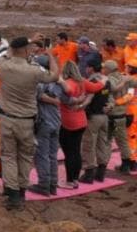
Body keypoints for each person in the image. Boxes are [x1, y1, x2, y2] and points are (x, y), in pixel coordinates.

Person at [0, 37, 59, 210]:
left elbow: (7, 53)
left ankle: (12, 194)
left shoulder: (2, 65)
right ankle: (22, 191)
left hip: (6, 119)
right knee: (25, 157)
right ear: (25, 50)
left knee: (8, 157)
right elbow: (54, 76)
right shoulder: (33, 71)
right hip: (27, 121)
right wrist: (51, 55)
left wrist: (22, 44)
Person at [58, 60, 105, 190]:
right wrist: (102, 79)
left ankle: (69, 181)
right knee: (76, 151)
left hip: (69, 122)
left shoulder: (68, 83)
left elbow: (69, 91)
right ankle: (74, 179)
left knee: (69, 153)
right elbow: (97, 87)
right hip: (81, 120)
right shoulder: (82, 82)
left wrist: (61, 81)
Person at [29, 55, 68, 197]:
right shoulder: (59, 82)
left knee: (42, 155)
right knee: (52, 155)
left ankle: (44, 184)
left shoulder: (42, 82)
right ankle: (52, 185)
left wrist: (49, 99)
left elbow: (37, 95)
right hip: (56, 121)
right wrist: (55, 101)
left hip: (44, 121)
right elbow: (65, 96)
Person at [79, 56, 111, 183]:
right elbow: (110, 97)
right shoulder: (106, 80)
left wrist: (78, 107)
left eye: (87, 67)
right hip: (104, 117)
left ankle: (89, 174)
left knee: (88, 145)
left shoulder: (91, 81)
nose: (86, 69)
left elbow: (88, 99)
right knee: (102, 144)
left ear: (91, 68)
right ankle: (101, 172)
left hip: (93, 117)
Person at [104, 60, 133, 173]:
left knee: (107, 141)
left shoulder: (108, 80)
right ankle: (126, 165)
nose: (103, 70)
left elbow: (109, 92)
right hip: (122, 114)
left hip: (111, 114)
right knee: (123, 141)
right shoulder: (125, 77)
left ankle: (103, 165)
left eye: (104, 68)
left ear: (109, 69)